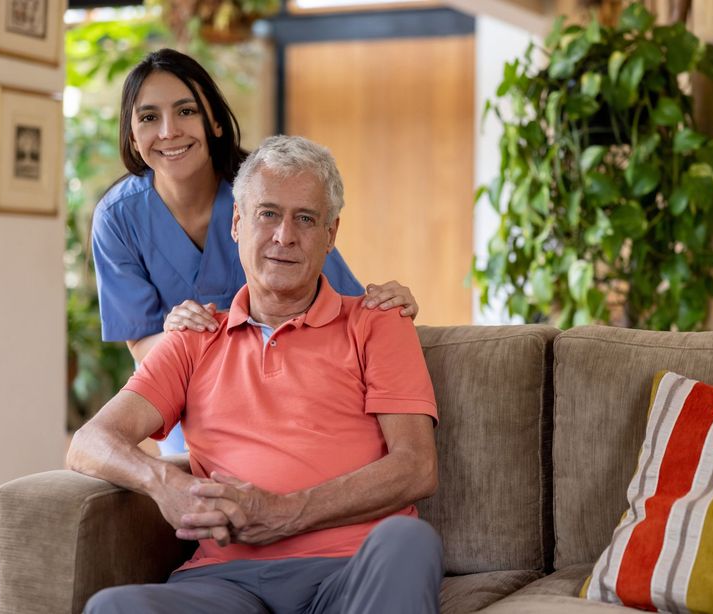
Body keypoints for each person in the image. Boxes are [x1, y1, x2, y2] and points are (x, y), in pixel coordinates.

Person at [68, 135, 443, 613]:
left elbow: (416, 467)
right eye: (267, 213)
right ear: (238, 224)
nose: (284, 236)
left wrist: (287, 513)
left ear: (331, 234)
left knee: (409, 542)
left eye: (305, 218)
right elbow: (89, 442)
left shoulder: (377, 323)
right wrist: (164, 483)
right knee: (114, 608)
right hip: (225, 583)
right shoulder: (194, 337)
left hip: (349, 572)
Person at [91, 48, 419, 454]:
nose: (169, 131)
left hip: (289, 372)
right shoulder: (117, 218)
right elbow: (141, 344)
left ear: (213, 120)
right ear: (131, 134)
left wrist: (392, 307)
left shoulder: (264, 193)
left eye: (186, 111)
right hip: (189, 384)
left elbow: (345, 302)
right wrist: (181, 336)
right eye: (148, 117)